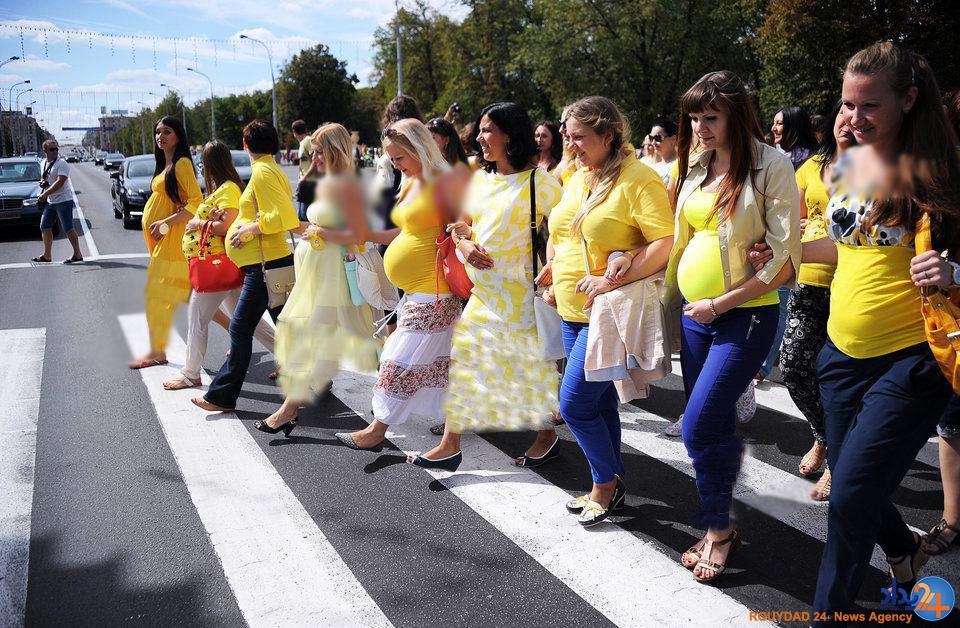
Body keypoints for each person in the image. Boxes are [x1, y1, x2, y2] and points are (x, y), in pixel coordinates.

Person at [806, 43, 960, 618]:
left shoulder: (940, 173)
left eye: (870, 104)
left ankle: (829, 614)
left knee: (846, 497)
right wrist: (781, 251)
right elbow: (847, 249)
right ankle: (902, 549)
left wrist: (954, 270)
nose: (853, 117)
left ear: (909, 100)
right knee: (854, 485)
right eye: (847, 103)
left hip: (913, 358)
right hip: (841, 356)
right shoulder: (847, 164)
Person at [665, 71, 800, 583]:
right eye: (695, 117)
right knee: (713, 427)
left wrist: (720, 303)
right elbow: (682, 237)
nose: (699, 126)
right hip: (696, 317)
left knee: (698, 426)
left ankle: (719, 533)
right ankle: (719, 524)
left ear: (737, 115)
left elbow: (784, 260)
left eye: (710, 117)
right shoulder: (697, 164)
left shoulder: (772, 163)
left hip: (745, 315)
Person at [411, 102, 565, 471]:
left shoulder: (541, 182)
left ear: (510, 135)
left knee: (530, 370)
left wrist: (557, 265)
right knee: (463, 358)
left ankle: (547, 436)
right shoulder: (480, 177)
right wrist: (463, 242)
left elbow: (569, 233)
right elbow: (460, 225)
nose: (479, 138)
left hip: (521, 297)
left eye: (487, 130)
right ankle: (451, 445)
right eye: (479, 130)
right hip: (484, 295)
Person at [547, 96, 674, 526]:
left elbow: (664, 241)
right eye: (567, 134)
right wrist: (551, 268)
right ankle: (612, 479)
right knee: (599, 406)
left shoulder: (639, 178)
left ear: (608, 134)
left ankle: (605, 485)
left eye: (579, 136)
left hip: (604, 312)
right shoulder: (579, 175)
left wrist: (612, 279)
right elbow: (567, 231)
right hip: (570, 309)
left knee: (575, 405)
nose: (570, 143)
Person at [334, 119, 458, 450]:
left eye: (399, 157)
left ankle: (377, 430)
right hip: (415, 291)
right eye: (391, 157)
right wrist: (371, 235)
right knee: (435, 362)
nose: (393, 163)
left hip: (435, 291)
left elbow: (460, 226)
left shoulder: (442, 183)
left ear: (419, 148)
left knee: (397, 362)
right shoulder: (410, 181)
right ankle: (453, 428)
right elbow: (408, 232)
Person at [256, 123, 380, 436]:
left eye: (321, 151)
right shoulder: (329, 181)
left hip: (333, 277)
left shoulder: (346, 186)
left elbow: (357, 235)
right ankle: (399, 384)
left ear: (336, 150)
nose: (316, 156)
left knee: (318, 339)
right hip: (317, 274)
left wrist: (321, 232)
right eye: (314, 150)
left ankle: (289, 409)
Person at [191, 119, 299, 412]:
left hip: (264, 266)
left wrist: (249, 229)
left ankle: (222, 396)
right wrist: (248, 224)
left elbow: (283, 215)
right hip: (267, 264)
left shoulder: (263, 172)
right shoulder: (270, 168)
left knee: (240, 329)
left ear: (246, 144)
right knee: (285, 326)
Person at [779, 102, 855, 501]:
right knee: (793, 364)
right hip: (808, 282)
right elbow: (789, 220)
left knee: (839, 377)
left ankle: (839, 460)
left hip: (851, 287)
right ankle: (823, 435)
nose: (848, 120)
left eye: (857, 112)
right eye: (842, 112)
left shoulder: (874, 170)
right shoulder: (809, 169)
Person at [160, 140, 276, 391]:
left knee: (197, 316)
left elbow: (227, 226)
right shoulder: (223, 189)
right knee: (249, 321)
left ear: (211, 164)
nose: (201, 168)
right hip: (222, 265)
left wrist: (198, 224)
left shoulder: (228, 190)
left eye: (202, 163)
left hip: (216, 265)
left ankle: (191, 373)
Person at [128, 116, 203, 370]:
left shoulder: (181, 164)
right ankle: (242, 335)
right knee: (200, 300)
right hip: (165, 238)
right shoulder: (165, 163)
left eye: (167, 132)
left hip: (172, 239)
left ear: (178, 136)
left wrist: (165, 223)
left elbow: (196, 202)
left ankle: (157, 352)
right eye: (158, 132)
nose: (160, 136)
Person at [32, 139, 83, 264]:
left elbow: (60, 182)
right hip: (51, 202)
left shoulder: (62, 163)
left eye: (56, 149)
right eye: (52, 149)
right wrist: (43, 182)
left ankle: (77, 254)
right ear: (45, 151)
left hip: (64, 200)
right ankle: (47, 255)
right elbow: (45, 177)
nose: (55, 151)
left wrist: (44, 194)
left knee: (68, 228)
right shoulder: (43, 162)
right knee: (44, 227)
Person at [771, 106, 818, 170]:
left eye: (779, 123)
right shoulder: (771, 156)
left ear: (794, 127)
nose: (773, 129)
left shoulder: (814, 161)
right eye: (773, 123)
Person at [293, 119, 317, 221]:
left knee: (305, 215)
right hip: (304, 181)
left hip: (310, 182)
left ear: (294, 132)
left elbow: (315, 160)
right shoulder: (302, 143)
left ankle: (313, 236)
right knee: (301, 216)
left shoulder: (307, 141)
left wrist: (304, 178)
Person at [648, 119, 678, 186]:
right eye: (651, 138)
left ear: (673, 139)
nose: (653, 143)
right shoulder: (654, 167)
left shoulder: (679, 165)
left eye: (658, 138)